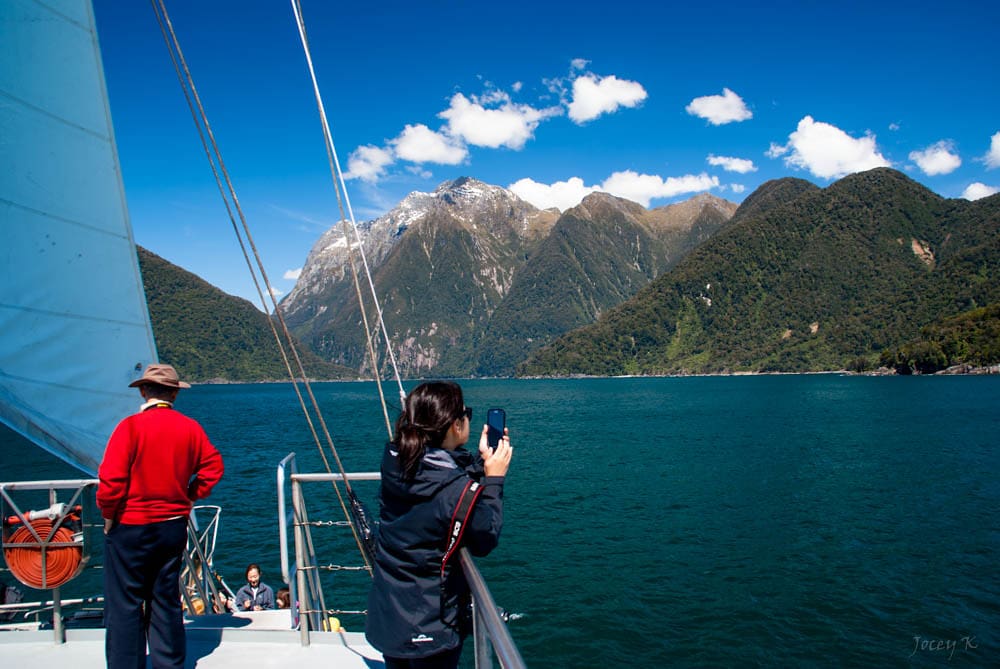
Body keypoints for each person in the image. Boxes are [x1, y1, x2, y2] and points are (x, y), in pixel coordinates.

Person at [365, 381, 512, 669]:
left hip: (389, 616)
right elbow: (485, 537)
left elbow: (435, 472)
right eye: (466, 413)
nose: (469, 418)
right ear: (455, 426)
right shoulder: (454, 492)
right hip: (429, 625)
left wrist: (481, 464)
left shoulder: (395, 459)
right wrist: (494, 481)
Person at [97, 363, 224, 669]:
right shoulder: (190, 429)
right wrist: (190, 495)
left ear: (143, 391)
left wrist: (108, 514)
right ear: (174, 394)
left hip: (130, 526)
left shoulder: (129, 428)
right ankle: (169, 663)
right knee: (165, 600)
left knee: (125, 604)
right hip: (171, 528)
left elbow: (111, 482)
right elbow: (213, 468)